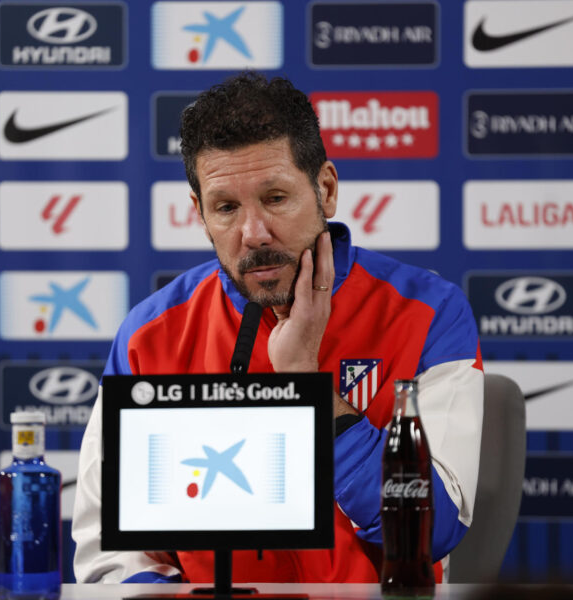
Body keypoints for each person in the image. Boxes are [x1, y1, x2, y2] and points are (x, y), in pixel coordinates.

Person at [72, 72, 484, 584]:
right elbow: (110, 554)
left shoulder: (427, 314)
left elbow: (432, 530)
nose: (254, 233)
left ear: (325, 190)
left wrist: (307, 385)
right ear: (200, 214)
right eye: (226, 208)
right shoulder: (149, 335)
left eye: (275, 198)